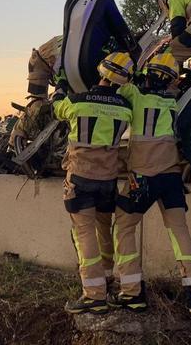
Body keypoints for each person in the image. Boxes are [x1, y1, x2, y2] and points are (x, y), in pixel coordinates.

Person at [110, 52, 191, 318]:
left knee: (124, 226)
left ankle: (131, 293)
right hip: (171, 178)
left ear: (148, 73)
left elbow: (115, 81)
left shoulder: (135, 95)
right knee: (180, 232)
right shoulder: (174, 102)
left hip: (141, 178)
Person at [52, 51, 134, 315]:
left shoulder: (78, 102)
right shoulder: (125, 108)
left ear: (100, 71)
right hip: (107, 181)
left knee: (83, 233)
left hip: (81, 178)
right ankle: (108, 278)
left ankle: (94, 295)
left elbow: (56, 108)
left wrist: (60, 90)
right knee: (104, 228)